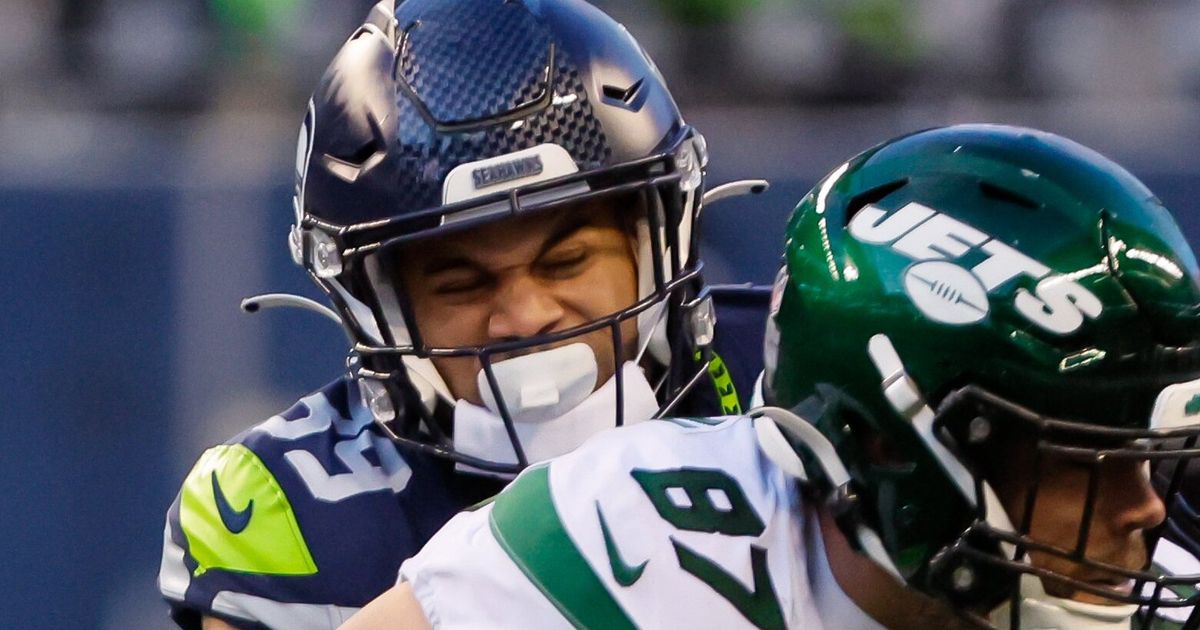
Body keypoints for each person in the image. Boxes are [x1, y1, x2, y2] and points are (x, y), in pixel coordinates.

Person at [342, 124, 1200, 629]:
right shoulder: (629, 543)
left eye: (1140, 452)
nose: (1146, 508)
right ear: (884, 448)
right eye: (1086, 461)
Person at [157, 0, 770, 628]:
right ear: (378, 308)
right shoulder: (294, 510)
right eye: (462, 284)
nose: (527, 316)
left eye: (568, 261)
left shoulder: (789, 388)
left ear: (652, 244)